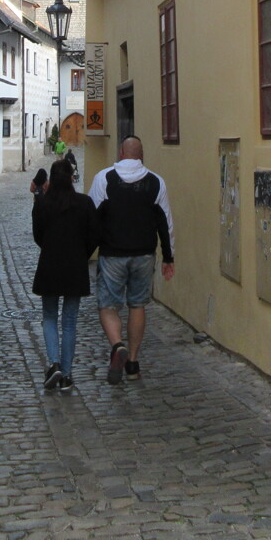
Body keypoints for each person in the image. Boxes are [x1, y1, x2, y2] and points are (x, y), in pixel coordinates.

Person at [88, 136, 174, 385]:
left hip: (113, 253)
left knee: (107, 306)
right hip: (144, 255)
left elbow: (92, 218)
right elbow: (165, 223)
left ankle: (117, 346)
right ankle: (133, 363)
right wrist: (169, 257)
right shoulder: (157, 182)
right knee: (137, 305)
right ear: (142, 154)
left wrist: (86, 251)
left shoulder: (104, 179)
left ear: (121, 152)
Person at [31, 158, 99, 392]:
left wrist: (51, 247)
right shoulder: (84, 203)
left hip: (50, 265)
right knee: (69, 322)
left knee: (49, 317)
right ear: (71, 178)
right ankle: (67, 375)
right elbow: (94, 235)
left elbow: (38, 235)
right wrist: (82, 253)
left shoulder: (42, 204)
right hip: (75, 268)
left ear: (51, 179)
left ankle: (54, 363)